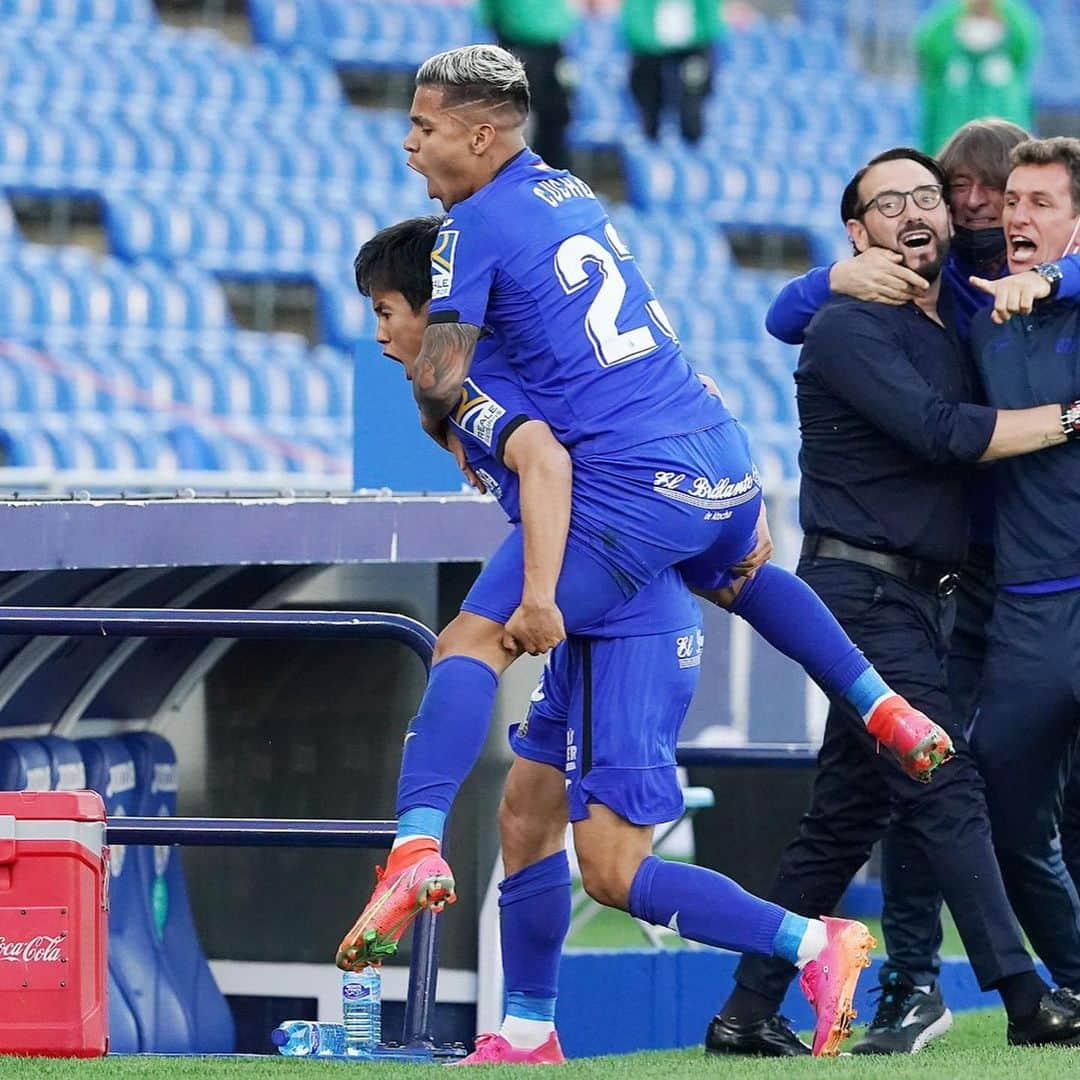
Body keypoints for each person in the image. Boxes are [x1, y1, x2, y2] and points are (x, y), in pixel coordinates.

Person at [336, 45, 952, 981]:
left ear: (478, 132)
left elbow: (492, 416)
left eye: (422, 128)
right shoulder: (568, 193)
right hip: (710, 457)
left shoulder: (471, 242)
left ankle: (417, 842)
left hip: (628, 525)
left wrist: (517, 550)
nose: (410, 146)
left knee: (471, 646)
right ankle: (881, 708)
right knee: (532, 807)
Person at [352, 214, 879, 1059]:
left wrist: (536, 594)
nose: (378, 333)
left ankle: (815, 946)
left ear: (438, 307)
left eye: (387, 310)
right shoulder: (474, 386)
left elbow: (557, 469)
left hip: (630, 631)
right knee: (524, 817)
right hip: (591, 626)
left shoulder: (493, 389)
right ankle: (527, 1031)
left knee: (611, 870)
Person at [707, 147, 1080, 1056]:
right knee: (941, 776)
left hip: (918, 598)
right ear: (858, 233)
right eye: (890, 203)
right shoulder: (845, 327)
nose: (916, 211)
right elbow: (943, 434)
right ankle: (1025, 994)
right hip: (861, 592)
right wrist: (1071, 418)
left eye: (928, 197)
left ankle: (746, 1011)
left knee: (842, 818)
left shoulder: (943, 316)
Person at [964, 135, 1080, 1011]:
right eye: (1014, 200)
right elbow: (786, 318)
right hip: (1028, 611)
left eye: (1042, 202)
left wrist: (1055, 281)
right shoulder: (981, 323)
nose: (1018, 216)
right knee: (1007, 815)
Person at [914, 0, 1040, 156]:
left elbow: (1025, 40)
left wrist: (999, 8)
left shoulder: (1004, 74)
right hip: (953, 123)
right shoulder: (952, 75)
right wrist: (962, 8)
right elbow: (929, 42)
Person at [476, 0, 581, 170]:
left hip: (552, 47)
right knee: (516, 117)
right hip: (517, 45)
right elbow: (487, 15)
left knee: (556, 116)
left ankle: (551, 175)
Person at [620, 0, 726, 144]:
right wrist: (653, 43)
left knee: (692, 102)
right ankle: (651, 142)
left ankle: (691, 144)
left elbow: (712, 23)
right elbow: (635, 23)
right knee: (649, 102)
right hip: (650, 54)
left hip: (693, 50)